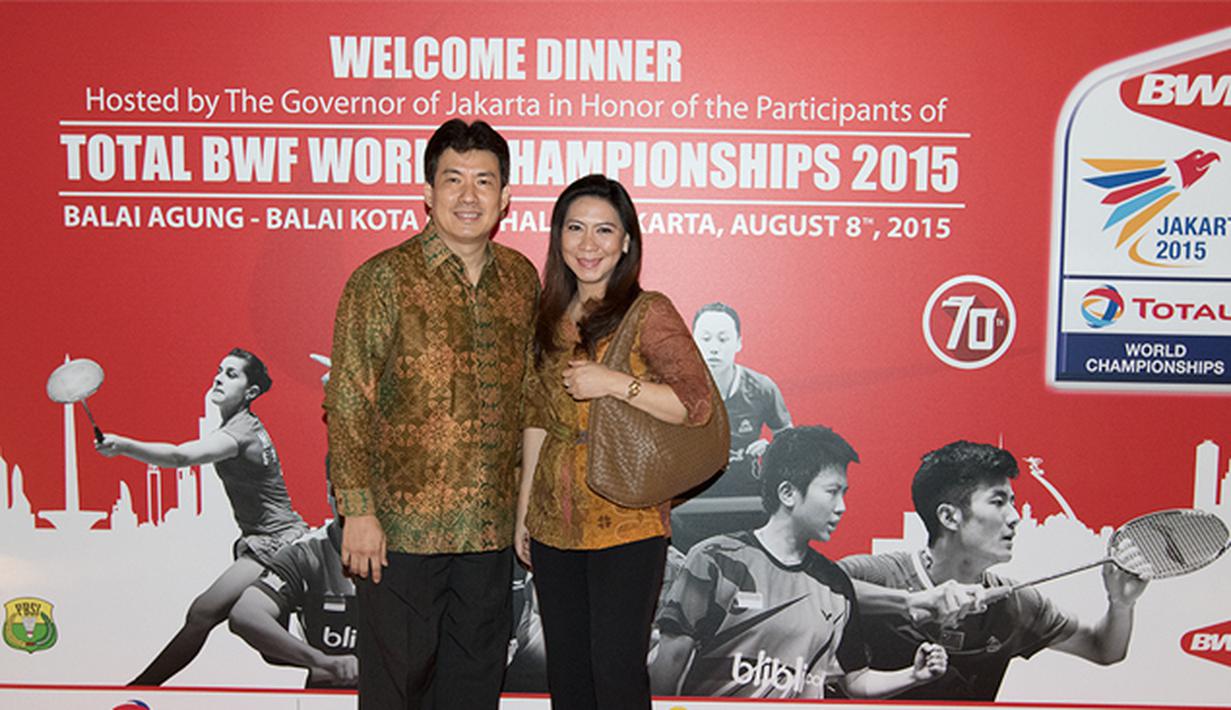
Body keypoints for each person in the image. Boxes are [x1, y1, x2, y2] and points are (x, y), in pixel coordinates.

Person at [326, 118, 539, 709]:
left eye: (484, 182)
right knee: (397, 694)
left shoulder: (521, 281)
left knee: (472, 693)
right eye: (453, 180)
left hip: (488, 535)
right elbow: (348, 401)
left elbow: (530, 402)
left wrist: (525, 509)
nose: (469, 197)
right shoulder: (382, 280)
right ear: (426, 192)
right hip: (398, 536)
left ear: (506, 196)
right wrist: (359, 511)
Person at [514, 174, 715, 709]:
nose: (588, 244)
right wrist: (524, 515)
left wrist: (614, 383)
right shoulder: (548, 317)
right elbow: (537, 417)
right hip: (555, 522)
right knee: (569, 675)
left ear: (627, 241)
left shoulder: (648, 312)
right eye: (575, 228)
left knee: (618, 672)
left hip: (627, 520)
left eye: (605, 230)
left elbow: (696, 405)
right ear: (558, 237)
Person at [650, 426, 947, 699]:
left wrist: (915, 675)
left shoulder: (836, 585)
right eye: (832, 492)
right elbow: (671, 659)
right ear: (788, 492)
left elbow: (856, 680)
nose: (841, 507)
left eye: (844, 494)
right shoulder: (715, 559)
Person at [838, 441, 1149, 701]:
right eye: (998, 501)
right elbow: (800, 587)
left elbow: (1104, 648)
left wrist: (1121, 603)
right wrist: (913, 603)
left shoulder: (1016, 604)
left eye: (1013, 502)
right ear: (949, 516)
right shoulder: (876, 575)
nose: (1014, 517)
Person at [95, 348, 307, 686]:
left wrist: (123, 446)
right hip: (272, 538)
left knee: (202, 612)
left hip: (277, 542)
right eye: (220, 370)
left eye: (232, 374)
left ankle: (139, 691)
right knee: (273, 652)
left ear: (251, 392)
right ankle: (342, 667)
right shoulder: (241, 426)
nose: (219, 377)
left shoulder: (239, 434)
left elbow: (180, 456)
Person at [228, 518, 357, 688]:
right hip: (332, 695)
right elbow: (245, 614)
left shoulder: (402, 552)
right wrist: (319, 660)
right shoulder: (306, 552)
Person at [691, 302, 792, 497]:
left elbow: (789, 438)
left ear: (738, 342)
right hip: (690, 494)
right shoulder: (673, 389)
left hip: (746, 491)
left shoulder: (763, 388)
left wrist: (771, 448)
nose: (713, 348)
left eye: (723, 339)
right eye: (705, 339)